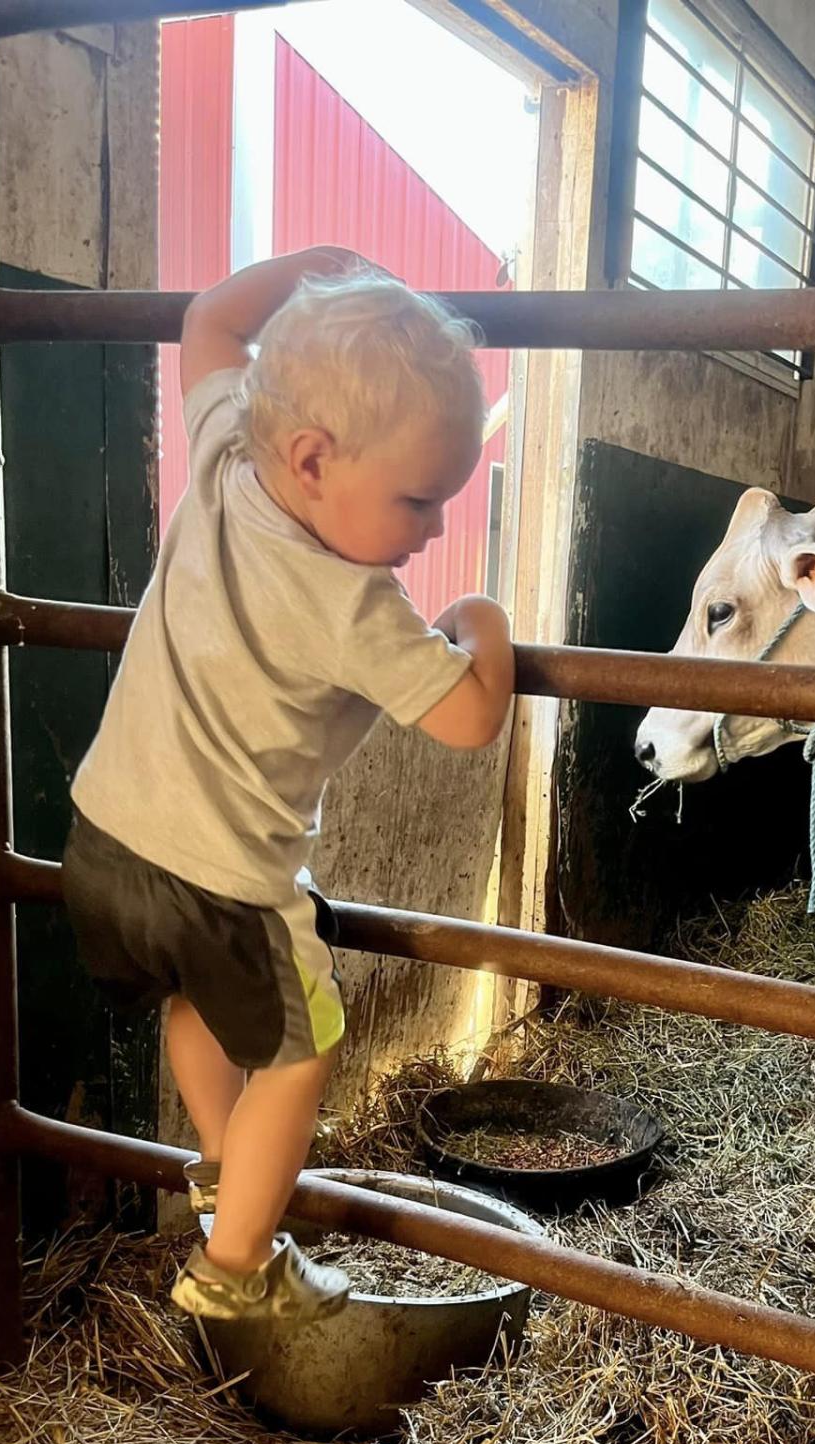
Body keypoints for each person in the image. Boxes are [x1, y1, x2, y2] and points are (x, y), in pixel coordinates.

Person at [63, 247, 514, 1323]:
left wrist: (310, 269)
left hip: (103, 844)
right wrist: (483, 626)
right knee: (305, 1053)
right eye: (420, 501)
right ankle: (235, 1269)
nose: (435, 531)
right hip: (224, 885)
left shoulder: (224, 449)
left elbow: (213, 323)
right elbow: (469, 716)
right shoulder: (355, 602)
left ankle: (229, 1178)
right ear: (313, 459)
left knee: (197, 1008)